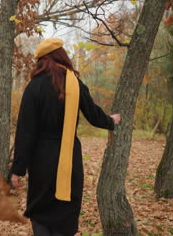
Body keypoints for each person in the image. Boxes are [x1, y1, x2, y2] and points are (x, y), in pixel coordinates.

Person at [10, 38, 120, 236]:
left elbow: (25, 132)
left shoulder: (34, 87)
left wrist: (18, 169)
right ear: (62, 56)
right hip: (69, 158)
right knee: (65, 210)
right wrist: (110, 121)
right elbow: (93, 114)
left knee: (41, 209)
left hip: (41, 159)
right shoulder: (75, 84)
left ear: (41, 61)